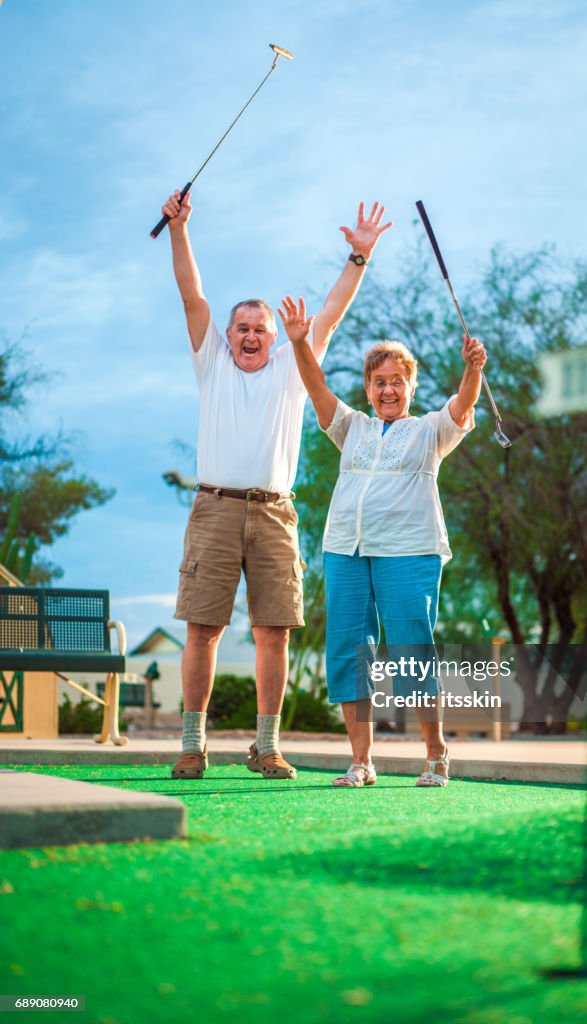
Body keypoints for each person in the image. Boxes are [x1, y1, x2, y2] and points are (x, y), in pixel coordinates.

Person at [162, 191, 392, 780]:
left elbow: (333, 312)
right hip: (214, 509)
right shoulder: (210, 361)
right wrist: (179, 227)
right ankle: (194, 745)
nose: (248, 336)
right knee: (203, 630)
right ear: (228, 334)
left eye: (259, 329)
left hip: (274, 513)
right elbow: (193, 295)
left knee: (273, 632)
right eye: (240, 328)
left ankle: (266, 746)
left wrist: (358, 257)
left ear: (272, 335)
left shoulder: (294, 365)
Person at [278, 295, 487, 787]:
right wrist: (299, 342)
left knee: (412, 647)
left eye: (397, 380)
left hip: (409, 551)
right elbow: (315, 387)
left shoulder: (430, 429)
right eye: (379, 382)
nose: (388, 389)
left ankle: (435, 755)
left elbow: (464, 404)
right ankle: (361, 762)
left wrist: (472, 368)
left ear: (411, 386)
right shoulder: (352, 427)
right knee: (350, 650)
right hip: (345, 550)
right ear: (368, 390)